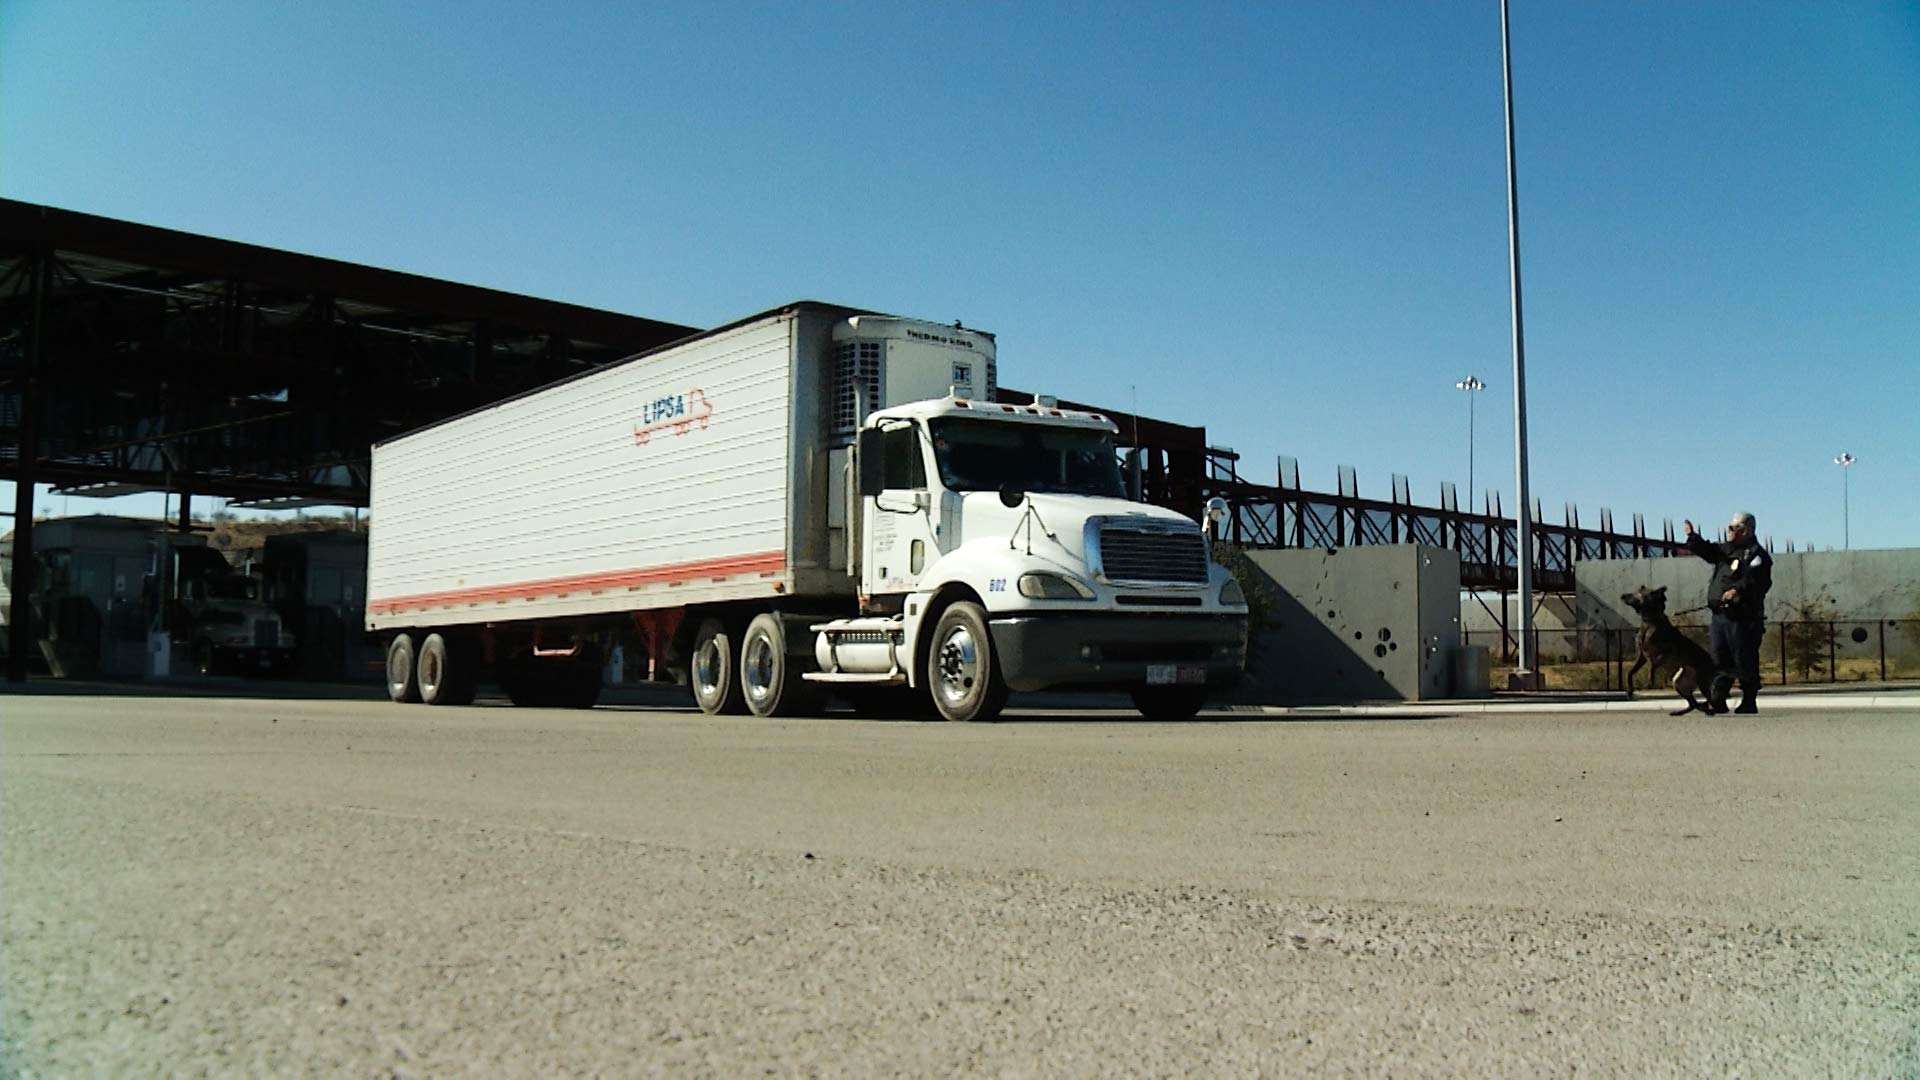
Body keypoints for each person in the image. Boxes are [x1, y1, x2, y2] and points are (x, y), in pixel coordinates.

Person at [1681, 512, 1773, 714]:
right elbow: (1709, 551)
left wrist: (1737, 590)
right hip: (1720, 617)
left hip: (1743, 619)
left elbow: (1756, 580)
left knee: (1744, 658)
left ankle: (1749, 700)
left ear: (1744, 530)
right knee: (1719, 658)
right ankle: (1718, 699)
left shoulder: (1757, 555)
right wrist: (1693, 538)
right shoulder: (1726, 550)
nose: (1728, 531)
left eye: (1732, 528)